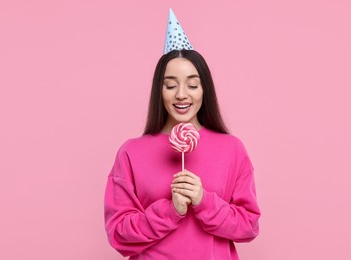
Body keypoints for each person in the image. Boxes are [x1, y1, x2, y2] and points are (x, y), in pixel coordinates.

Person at [104, 9, 260, 260]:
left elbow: (249, 226)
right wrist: (170, 210)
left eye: (192, 84)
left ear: (204, 89)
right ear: (160, 90)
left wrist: (203, 201)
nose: (181, 94)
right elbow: (118, 235)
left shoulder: (232, 149)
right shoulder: (130, 152)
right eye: (171, 85)